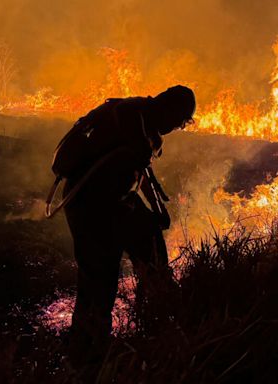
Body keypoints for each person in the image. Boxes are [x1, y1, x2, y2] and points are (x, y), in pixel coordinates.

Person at [61, 85, 196, 374]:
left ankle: (154, 322)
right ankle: (86, 359)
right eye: (180, 121)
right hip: (90, 204)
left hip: (111, 199)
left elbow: (139, 169)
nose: (176, 128)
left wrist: (157, 208)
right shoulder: (132, 119)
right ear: (170, 110)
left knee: (151, 251)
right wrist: (151, 211)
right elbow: (129, 162)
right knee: (98, 282)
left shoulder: (139, 115)